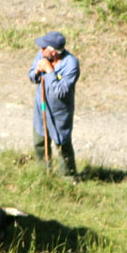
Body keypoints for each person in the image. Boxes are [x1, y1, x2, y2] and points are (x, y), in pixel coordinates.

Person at [28, 30, 80, 180]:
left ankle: (68, 177)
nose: (40, 50)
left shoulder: (71, 64)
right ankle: (43, 174)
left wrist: (49, 71)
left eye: (44, 48)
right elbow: (31, 76)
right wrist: (37, 71)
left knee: (62, 145)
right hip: (42, 107)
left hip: (59, 113)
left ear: (53, 52)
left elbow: (61, 92)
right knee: (39, 142)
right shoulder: (42, 56)